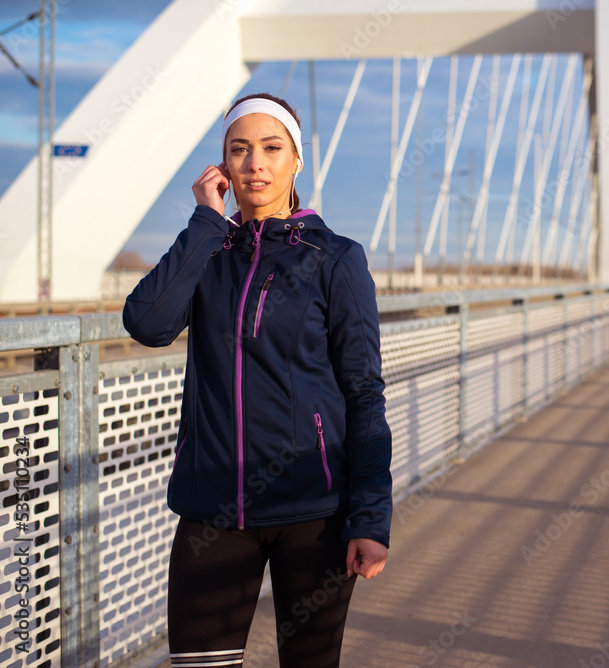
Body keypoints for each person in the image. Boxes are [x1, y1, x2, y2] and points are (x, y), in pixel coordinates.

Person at [123, 92, 392, 668]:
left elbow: (365, 394)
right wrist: (205, 221)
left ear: (297, 160)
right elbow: (147, 324)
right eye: (239, 150)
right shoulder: (209, 252)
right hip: (214, 510)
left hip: (314, 511)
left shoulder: (334, 258)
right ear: (222, 164)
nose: (255, 164)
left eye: (271, 148)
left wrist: (370, 517)